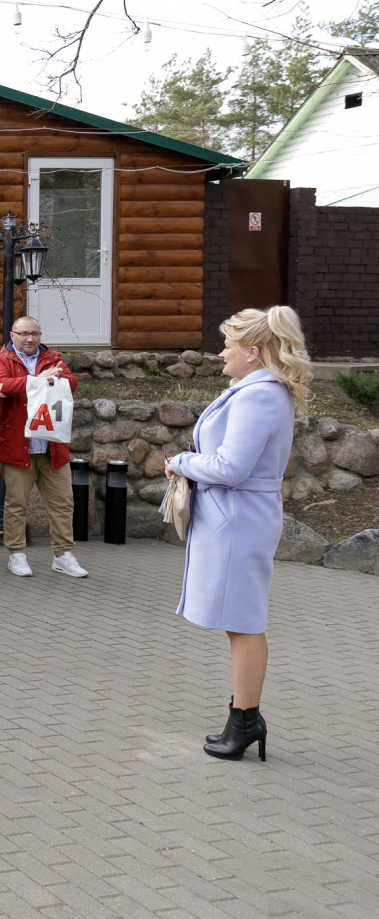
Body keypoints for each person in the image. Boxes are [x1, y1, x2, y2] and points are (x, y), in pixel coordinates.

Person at [167, 306, 309, 761]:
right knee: (239, 623)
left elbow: (231, 467)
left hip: (238, 518)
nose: (221, 351)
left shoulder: (258, 395)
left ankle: (245, 720)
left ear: (252, 352)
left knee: (244, 623)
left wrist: (182, 462)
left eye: (228, 343)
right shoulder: (258, 390)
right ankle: (244, 717)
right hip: (240, 515)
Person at [0, 316, 88, 578]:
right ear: (12, 335)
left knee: (64, 504)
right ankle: (16, 555)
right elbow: (0, 386)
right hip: (19, 447)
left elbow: (72, 383)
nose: (30, 339)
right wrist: (37, 380)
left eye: (35, 333)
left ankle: (63, 555)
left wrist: (53, 378)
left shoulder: (54, 358)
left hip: (53, 447)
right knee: (16, 504)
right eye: (24, 333)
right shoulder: (1, 360)